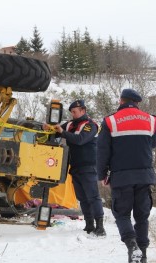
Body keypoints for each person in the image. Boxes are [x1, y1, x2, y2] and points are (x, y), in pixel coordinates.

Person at [97, 89, 156, 263]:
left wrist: (102, 174)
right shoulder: (151, 120)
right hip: (144, 176)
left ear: (121, 101)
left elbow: (102, 151)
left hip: (121, 178)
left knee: (122, 214)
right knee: (142, 217)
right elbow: (155, 142)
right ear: (137, 103)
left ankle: (132, 246)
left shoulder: (110, 121)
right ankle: (144, 255)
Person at [43, 99, 106, 237]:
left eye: (75, 112)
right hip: (76, 166)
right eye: (71, 112)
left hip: (89, 166)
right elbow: (57, 131)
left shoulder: (90, 125)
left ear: (83, 111)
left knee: (93, 197)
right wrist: (49, 128)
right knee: (82, 197)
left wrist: (62, 132)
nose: (72, 114)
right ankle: (89, 224)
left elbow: (80, 140)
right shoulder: (71, 124)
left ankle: (100, 226)